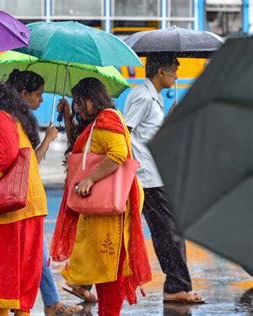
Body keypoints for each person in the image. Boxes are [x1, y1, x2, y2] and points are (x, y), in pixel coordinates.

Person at [0, 71, 82, 316]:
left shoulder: (1, 118)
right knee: (22, 268)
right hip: (19, 204)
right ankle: (36, 307)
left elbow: (7, 154)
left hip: (13, 206)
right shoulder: (1, 120)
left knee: (6, 269)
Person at [51, 78, 152, 316]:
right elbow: (85, 146)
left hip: (111, 207)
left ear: (92, 98)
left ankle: (110, 312)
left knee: (111, 265)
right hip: (102, 207)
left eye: (79, 101)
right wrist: (67, 117)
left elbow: (117, 154)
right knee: (101, 263)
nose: (77, 107)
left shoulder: (107, 119)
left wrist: (89, 179)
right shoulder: (98, 121)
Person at [123, 53, 205, 304]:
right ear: (160, 72)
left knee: (152, 232)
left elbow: (149, 136)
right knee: (170, 232)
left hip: (154, 175)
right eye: (173, 71)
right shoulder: (143, 96)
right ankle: (176, 286)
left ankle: (83, 280)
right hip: (147, 177)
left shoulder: (153, 97)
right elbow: (125, 132)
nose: (177, 76)